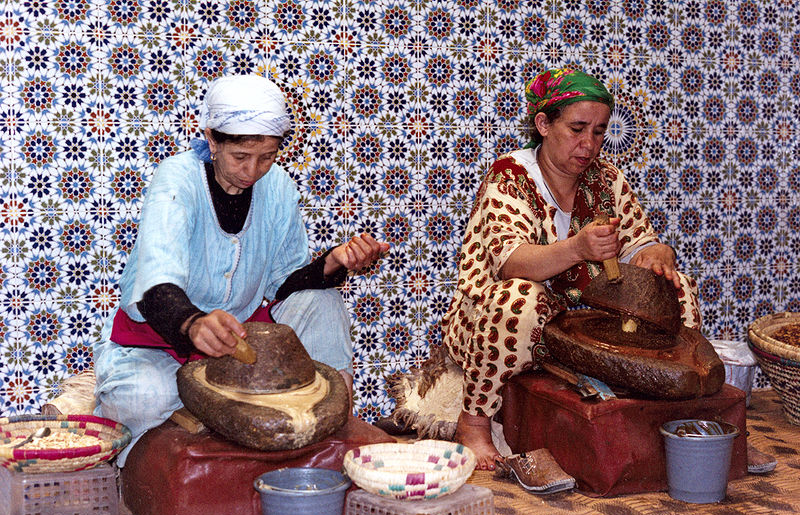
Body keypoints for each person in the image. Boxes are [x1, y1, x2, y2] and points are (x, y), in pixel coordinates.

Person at [93, 74, 389, 467]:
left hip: (239, 340)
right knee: (144, 399)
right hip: (160, 340)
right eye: (240, 157)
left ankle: (336, 428)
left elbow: (284, 282)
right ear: (212, 141)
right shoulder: (177, 178)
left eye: (266, 157)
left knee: (322, 301)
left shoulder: (279, 187)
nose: (252, 171)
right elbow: (156, 282)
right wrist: (193, 324)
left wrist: (332, 262)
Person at [441, 68, 701, 470]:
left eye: (599, 131)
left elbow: (640, 242)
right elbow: (513, 262)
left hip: (584, 329)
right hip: (500, 325)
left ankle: (679, 416)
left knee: (677, 288)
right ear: (544, 124)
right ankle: (473, 423)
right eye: (577, 128)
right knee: (519, 299)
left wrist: (658, 255)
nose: (589, 144)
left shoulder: (607, 178)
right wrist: (578, 248)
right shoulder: (509, 176)